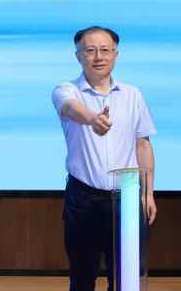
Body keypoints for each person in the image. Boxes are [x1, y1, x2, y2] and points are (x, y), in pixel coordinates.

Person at [53, 26, 157, 291]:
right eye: (90, 50)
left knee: (126, 276)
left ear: (115, 54)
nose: (98, 57)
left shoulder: (132, 94)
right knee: (82, 276)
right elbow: (70, 108)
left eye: (105, 50)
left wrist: (148, 193)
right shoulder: (66, 90)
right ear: (78, 56)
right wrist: (93, 119)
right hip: (83, 198)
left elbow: (143, 144)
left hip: (127, 197)